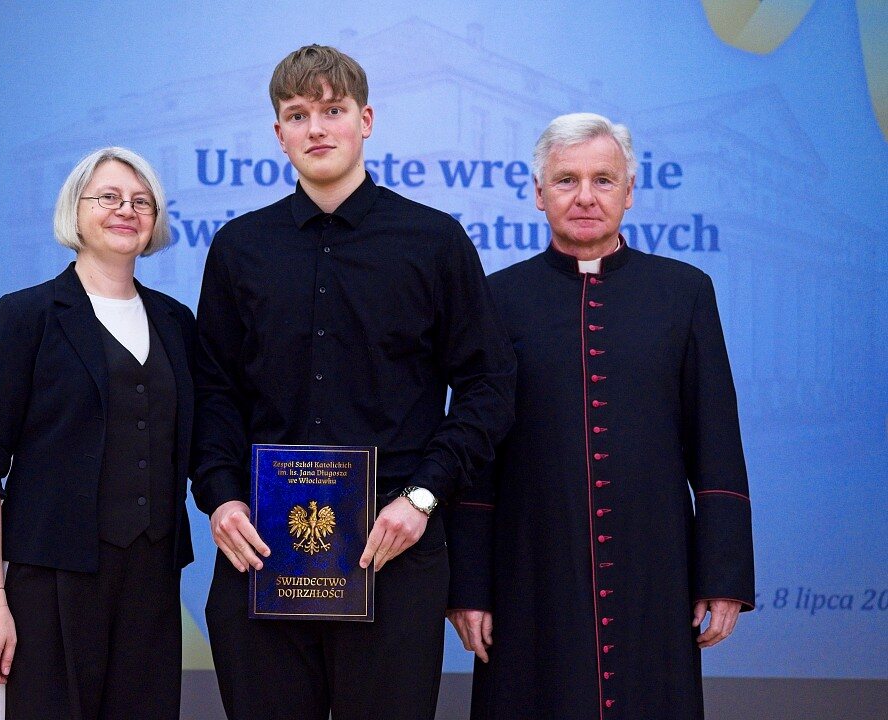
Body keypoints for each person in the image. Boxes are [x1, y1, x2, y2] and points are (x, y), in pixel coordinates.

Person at [193, 44, 516, 720]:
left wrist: (423, 497)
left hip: (394, 547)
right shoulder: (239, 248)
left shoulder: (434, 241)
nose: (316, 128)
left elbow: (488, 385)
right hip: (261, 547)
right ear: (278, 132)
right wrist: (221, 498)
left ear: (365, 120)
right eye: (297, 114)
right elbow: (213, 390)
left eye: (333, 110)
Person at [446, 112, 755, 719]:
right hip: (531, 565)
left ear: (630, 191)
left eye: (603, 180)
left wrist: (723, 575)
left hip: (654, 564)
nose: (585, 196)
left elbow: (716, 441)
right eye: (566, 180)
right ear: (539, 193)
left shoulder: (685, 292)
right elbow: (475, 457)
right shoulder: (498, 298)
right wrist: (469, 587)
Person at [0, 147, 195, 720]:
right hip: (49, 583)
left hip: (151, 585)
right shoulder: (28, 316)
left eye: (141, 201)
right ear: (75, 211)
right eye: (109, 197)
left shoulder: (176, 322)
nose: (126, 210)